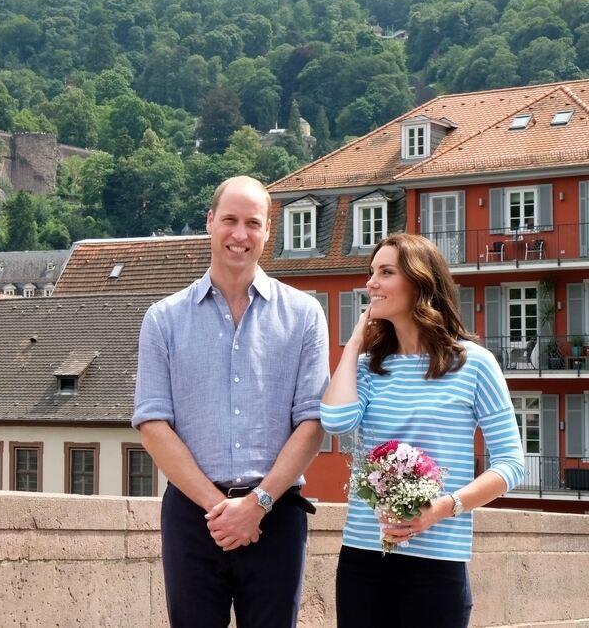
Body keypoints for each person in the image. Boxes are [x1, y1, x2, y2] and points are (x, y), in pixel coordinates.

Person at [133, 176, 329, 627]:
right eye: (230, 220)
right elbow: (152, 423)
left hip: (276, 514)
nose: (240, 234)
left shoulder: (304, 315)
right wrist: (220, 510)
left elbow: (313, 422)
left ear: (267, 231)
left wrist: (256, 504)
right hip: (193, 518)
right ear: (209, 223)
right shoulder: (163, 319)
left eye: (252, 223)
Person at [320, 233, 524, 628]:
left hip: (438, 561)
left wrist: (442, 508)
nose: (371, 283)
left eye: (386, 272)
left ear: (419, 284)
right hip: (363, 557)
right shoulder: (367, 367)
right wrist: (353, 345)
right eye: (371, 272)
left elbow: (511, 462)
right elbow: (336, 421)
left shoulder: (474, 364)